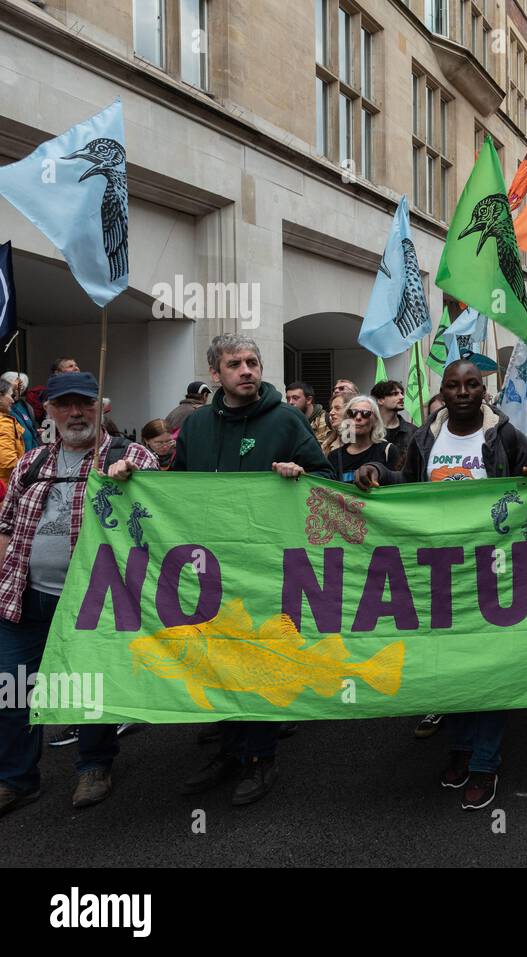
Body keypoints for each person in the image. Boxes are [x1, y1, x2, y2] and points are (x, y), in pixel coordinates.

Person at [112, 335, 333, 806]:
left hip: (268, 565)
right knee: (219, 659)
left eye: (253, 362)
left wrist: (302, 473)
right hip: (211, 566)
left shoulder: (287, 420)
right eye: (235, 364)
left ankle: (261, 757)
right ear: (217, 374)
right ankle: (231, 752)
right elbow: (177, 492)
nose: (247, 370)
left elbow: (328, 483)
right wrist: (133, 480)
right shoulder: (196, 429)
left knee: (257, 660)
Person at [352, 358, 527, 811]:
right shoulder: (426, 436)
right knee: (452, 664)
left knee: (488, 666)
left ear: (484, 391)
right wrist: (379, 475)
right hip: (439, 571)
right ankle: (459, 748)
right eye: (453, 385)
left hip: (493, 570)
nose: (463, 392)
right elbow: (408, 482)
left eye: (472, 384)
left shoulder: (504, 436)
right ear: (442, 391)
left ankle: (485, 762)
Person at [0, 372, 158, 816]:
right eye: (63, 405)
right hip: (24, 598)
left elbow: (158, 518)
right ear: (47, 411)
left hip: (95, 598)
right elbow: (6, 524)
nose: (75, 413)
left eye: (84, 404)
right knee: (11, 690)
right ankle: (15, 779)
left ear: (99, 408)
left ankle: (94, 766)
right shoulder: (30, 463)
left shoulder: (131, 455)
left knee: (89, 686)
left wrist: (130, 479)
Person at [327, 395, 400, 482]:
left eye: (365, 413)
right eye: (352, 413)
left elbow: (396, 486)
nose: (358, 417)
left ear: (375, 420)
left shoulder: (388, 451)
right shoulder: (334, 456)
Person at [371, 380, 415, 454]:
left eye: (401, 393)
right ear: (380, 400)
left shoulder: (412, 431)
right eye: (395, 394)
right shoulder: (369, 428)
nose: (402, 397)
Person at [2, 374, 38, 452]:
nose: (18, 390)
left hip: (31, 457)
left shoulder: (25, 405)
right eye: (10, 393)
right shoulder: (5, 410)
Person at [0, 380, 26, 484]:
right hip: (5, 488)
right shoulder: (3, 422)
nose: (13, 400)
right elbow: (8, 462)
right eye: (10, 396)